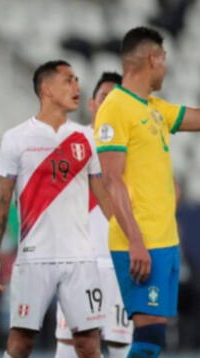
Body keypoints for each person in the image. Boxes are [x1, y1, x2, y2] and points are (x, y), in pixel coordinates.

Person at [0, 60, 114, 358]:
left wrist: (127, 238)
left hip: (81, 259)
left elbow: (103, 195)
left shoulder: (86, 138)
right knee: (20, 343)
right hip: (33, 259)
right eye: (69, 80)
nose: (77, 87)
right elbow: (1, 203)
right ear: (46, 89)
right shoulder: (15, 139)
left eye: (78, 80)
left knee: (88, 345)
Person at [94, 26, 200, 358]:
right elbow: (111, 181)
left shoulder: (153, 107)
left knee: (154, 338)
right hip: (141, 243)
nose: (166, 67)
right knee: (149, 336)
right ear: (152, 59)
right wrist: (136, 241)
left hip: (164, 241)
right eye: (164, 59)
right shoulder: (116, 108)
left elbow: (195, 118)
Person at [54, 72, 133, 358]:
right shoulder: (72, 142)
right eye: (104, 97)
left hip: (120, 259)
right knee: (69, 343)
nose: (110, 104)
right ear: (92, 103)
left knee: (120, 344)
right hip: (79, 261)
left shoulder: (134, 147)